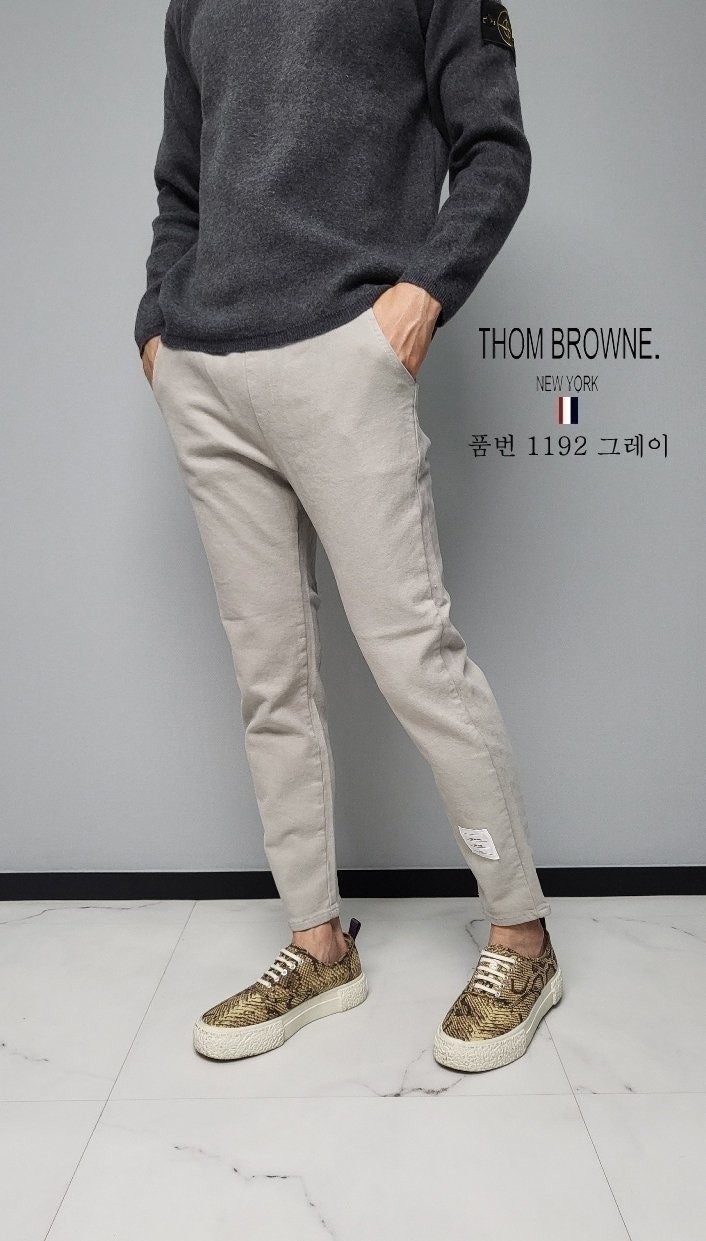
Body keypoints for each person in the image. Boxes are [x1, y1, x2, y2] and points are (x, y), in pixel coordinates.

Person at [135, 0, 563, 1073]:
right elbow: (180, 185)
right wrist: (157, 324)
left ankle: (522, 935)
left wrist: (419, 298)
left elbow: (495, 149)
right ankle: (318, 945)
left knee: (413, 656)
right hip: (205, 370)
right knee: (269, 678)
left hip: (345, 347)